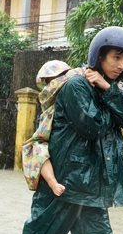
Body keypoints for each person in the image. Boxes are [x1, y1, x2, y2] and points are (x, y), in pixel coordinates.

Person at [12, 27, 123, 234]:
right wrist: (116, 106)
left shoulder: (114, 87)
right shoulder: (76, 85)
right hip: (64, 186)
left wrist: (108, 88)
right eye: (115, 57)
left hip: (94, 189)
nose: (121, 64)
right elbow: (92, 126)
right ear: (99, 56)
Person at [21, 60, 85, 196]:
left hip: (54, 138)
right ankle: (52, 182)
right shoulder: (52, 92)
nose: (53, 83)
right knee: (37, 149)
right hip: (46, 134)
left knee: (38, 148)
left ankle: (52, 182)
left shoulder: (72, 84)